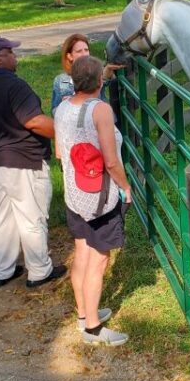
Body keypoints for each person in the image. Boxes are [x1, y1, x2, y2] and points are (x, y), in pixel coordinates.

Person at [0, 35, 66, 288]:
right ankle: (39, 271)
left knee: (0, 217)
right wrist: (67, 132)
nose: (15, 56)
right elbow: (34, 121)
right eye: (10, 52)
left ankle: (2, 270)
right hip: (24, 161)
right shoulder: (14, 86)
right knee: (31, 216)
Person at [54, 55, 132, 346]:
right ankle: (93, 329)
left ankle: (84, 313)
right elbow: (111, 161)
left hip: (74, 195)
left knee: (82, 253)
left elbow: (60, 153)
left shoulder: (63, 107)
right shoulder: (100, 110)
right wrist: (126, 187)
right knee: (98, 260)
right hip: (99, 198)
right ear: (100, 80)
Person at [50, 33, 123, 116]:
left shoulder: (96, 71)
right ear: (70, 56)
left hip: (98, 119)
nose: (84, 54)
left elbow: (104, 79)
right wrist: (63, 105)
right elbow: (54, 111)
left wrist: (109, 69)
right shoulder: (60, 81)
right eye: (79, 51)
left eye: (86, 50)